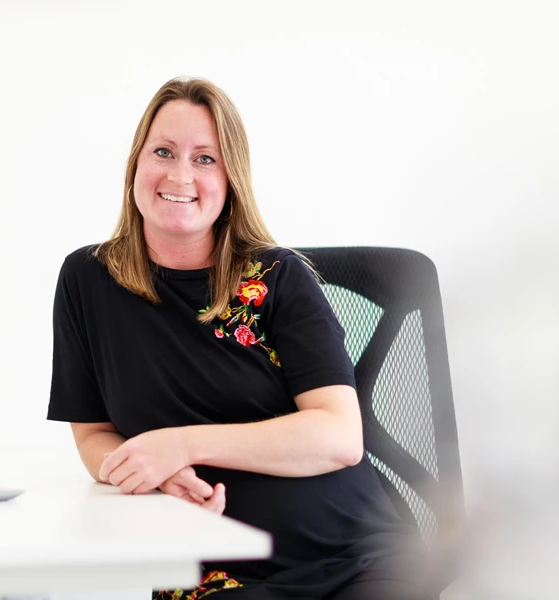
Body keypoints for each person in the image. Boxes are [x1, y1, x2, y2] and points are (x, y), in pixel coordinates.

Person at [47, 77, 431, 600]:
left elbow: (339, 436)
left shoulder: (279, 277)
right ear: (136, 164)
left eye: (206, 159)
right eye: (163, 151)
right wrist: (160, 476)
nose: (180, 174)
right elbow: (94, 436)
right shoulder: (88, 280)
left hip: (357, 555)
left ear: (231, 180)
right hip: (215, 573)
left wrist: (180, 443)